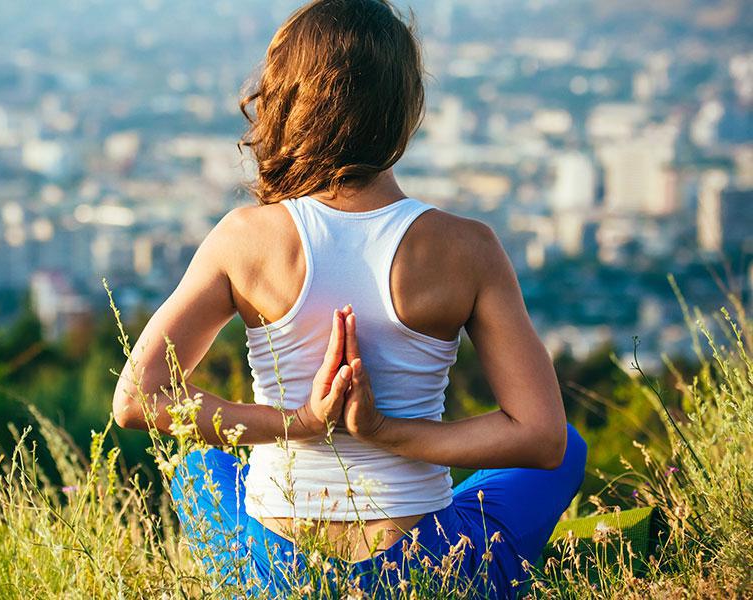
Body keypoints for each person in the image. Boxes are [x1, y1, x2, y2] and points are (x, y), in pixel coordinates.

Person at [111, 1, 586, 597]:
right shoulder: (468, 248)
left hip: (275, 576)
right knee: (570, 448)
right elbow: (543, 436)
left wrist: (299, 424)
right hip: (426, 571)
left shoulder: (244, 238)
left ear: (287, 101)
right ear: (406, 108)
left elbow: (137, 399)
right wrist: (387, 432)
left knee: (196, 460)